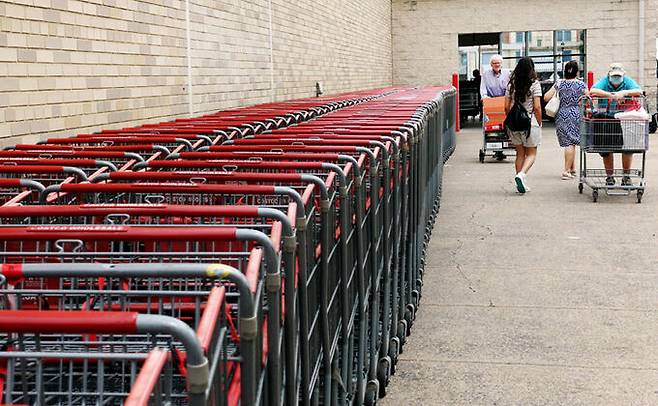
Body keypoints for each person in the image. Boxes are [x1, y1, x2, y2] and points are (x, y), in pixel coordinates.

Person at [589, 63, 642, 186]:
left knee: (627, 148)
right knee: (606, 149)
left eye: (618, 76)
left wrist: (624, 93)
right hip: (607, 118)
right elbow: (593, 90)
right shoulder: (605, 82)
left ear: (623, 75)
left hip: (625, 118)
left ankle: (626, 176)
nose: (616, 78)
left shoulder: (627, 82)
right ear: (609, 75)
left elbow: (638, 90)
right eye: (614, 76)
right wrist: (610, 95)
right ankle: (610, 177)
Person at [543, 60, 587, 180]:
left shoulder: (559, 83)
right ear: (577, 72)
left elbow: (546, 97)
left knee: (569, 143)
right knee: (571, 143)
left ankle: (570, 169)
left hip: (562, 114)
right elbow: (588, 99)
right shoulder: (581, 84)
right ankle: (568, 170)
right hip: (576, 114)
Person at [505, 57, 542, 194]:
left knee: (520, 153)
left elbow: (506, 107)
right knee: (531, 154)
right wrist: (539, 122)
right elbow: (537, 107)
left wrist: (511, 119)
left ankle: (520, 182)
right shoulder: (534, 84)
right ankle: (521, 175)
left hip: (514, 123)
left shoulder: (511, 84)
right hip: (529, 122)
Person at [481, 55, 511, 159]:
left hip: (505, 102)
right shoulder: (486, 74)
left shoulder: (507, 74)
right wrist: (485, 99)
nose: (496, 65)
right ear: (491, 65)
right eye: (494, 63)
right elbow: (483, 90)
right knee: (493, 127)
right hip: (492, 104)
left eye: (498, 63)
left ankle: (502, 148)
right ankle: (497, 150)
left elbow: (510, 89)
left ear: (501, 64)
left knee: (505, 127)